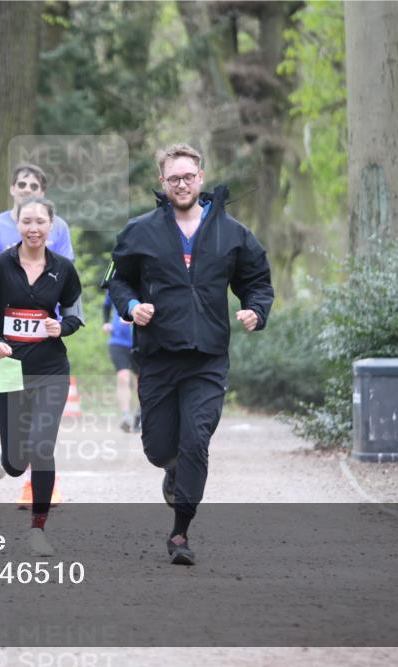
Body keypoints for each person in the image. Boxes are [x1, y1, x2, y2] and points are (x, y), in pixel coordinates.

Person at [108, 143, 274, 565]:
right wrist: (131, 306)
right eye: (173, 178)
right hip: (158, 355)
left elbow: (256, 279)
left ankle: (180, 532)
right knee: (159, 449)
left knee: (196, 441)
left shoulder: (231, 232)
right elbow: (119, 281)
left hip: (207, 358)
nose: (181, 184)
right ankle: (171, 469)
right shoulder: (140, 231)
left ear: (200, 178)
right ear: (162, 183)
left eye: (188, 177)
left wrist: (256, 309)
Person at [0, 196, 84, 556]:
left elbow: (75, 314)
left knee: (42, 446)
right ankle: (6, 455)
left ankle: (38, 529)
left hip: (51, 370)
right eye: (27, 221)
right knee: (17, 465)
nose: (34, 228)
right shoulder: (0, 267)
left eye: (40, 222)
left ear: (52, 226)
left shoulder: (63, 269)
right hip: (9, 369)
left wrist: (62, 327)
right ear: (17, 224)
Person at [0, 162, 75, 505]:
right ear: (12, 189)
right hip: (6, 342)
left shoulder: (58, 227)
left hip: (47, 338)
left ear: (43, 193)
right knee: (19, 431)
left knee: (42, 424)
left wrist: (61, 323)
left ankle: (41, 488)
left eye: (34, 186)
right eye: (22, 184)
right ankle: (9, 455)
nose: (27, 190)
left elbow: (64, 277)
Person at [102, 292, 140, 433]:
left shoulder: (146, 284)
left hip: (139, 342)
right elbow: (106, 305)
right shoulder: (116, 285)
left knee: (141, 381)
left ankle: (140, 416)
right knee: (123, 376)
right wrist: (106, 322)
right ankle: (125, 416)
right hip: (118, 341)